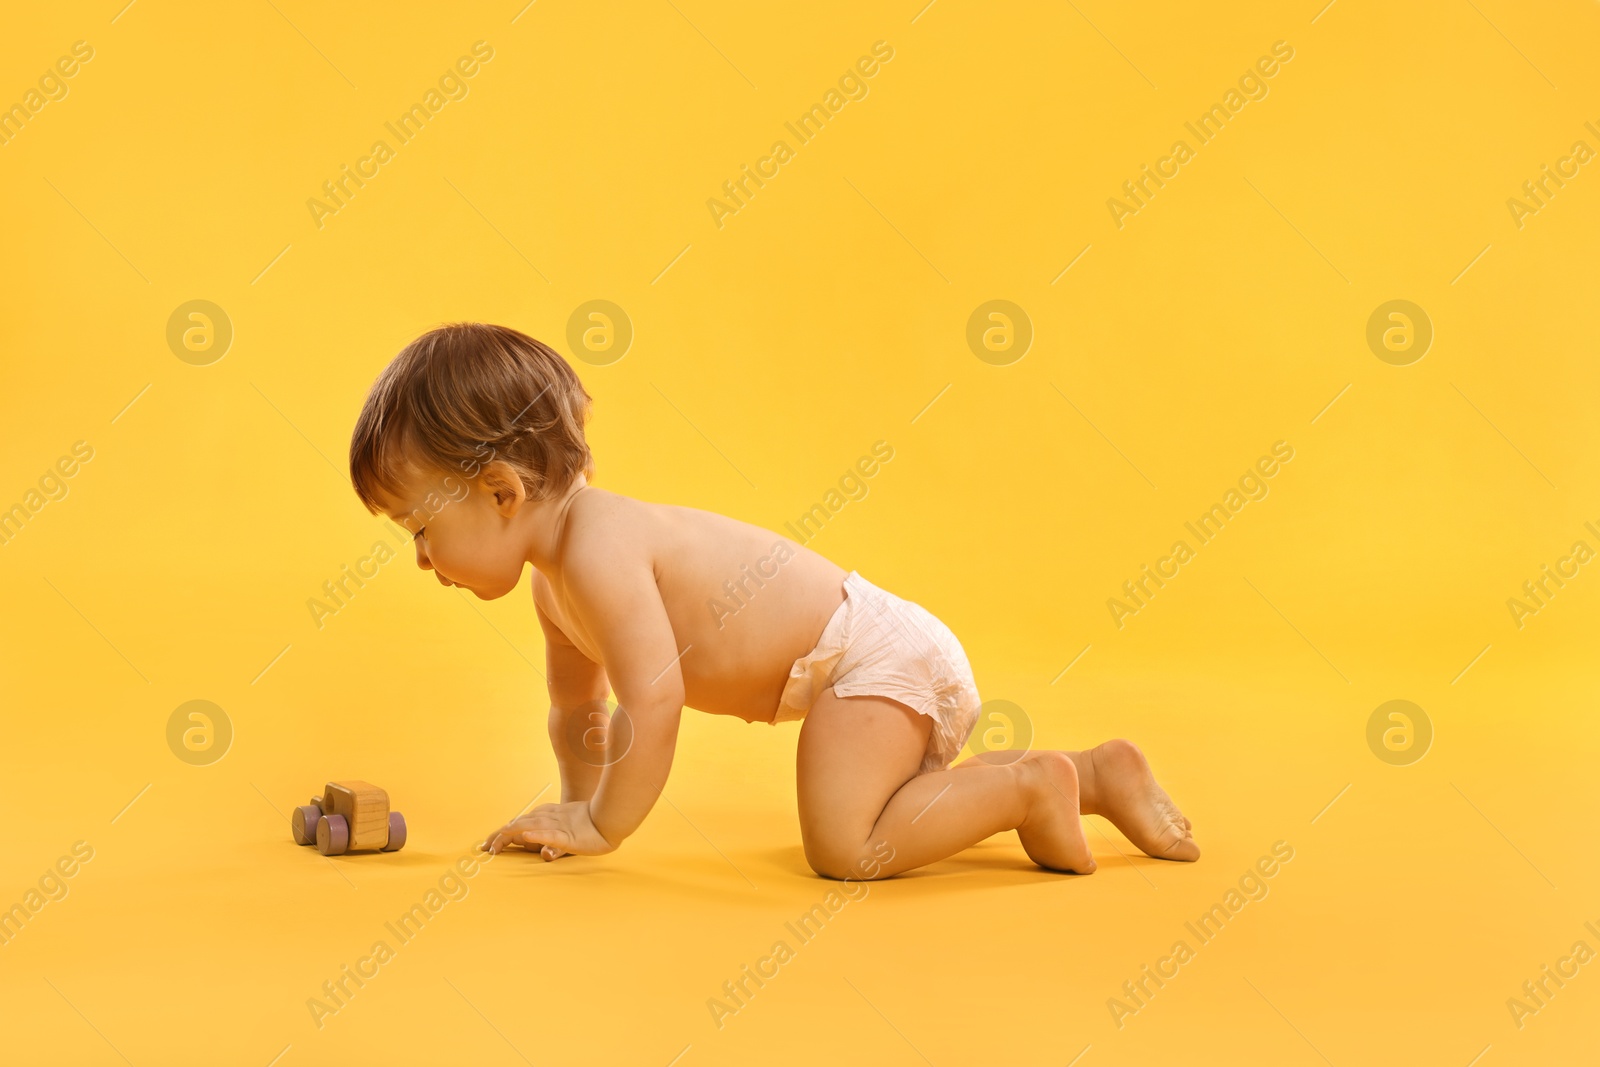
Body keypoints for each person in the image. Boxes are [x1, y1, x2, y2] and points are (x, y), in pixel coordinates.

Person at [348, 323, 1198, 880]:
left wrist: (605, 824)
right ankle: (1089, 774)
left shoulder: (601, 553)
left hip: (869, 658)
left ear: (501, 491)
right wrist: (572, 803)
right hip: (854, 668)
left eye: (419, 527)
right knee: (886, 811)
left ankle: (1030, 790)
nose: (420, 558)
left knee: (846, 846)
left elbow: (653, 697)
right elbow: (579, 707)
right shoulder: (554, 581)